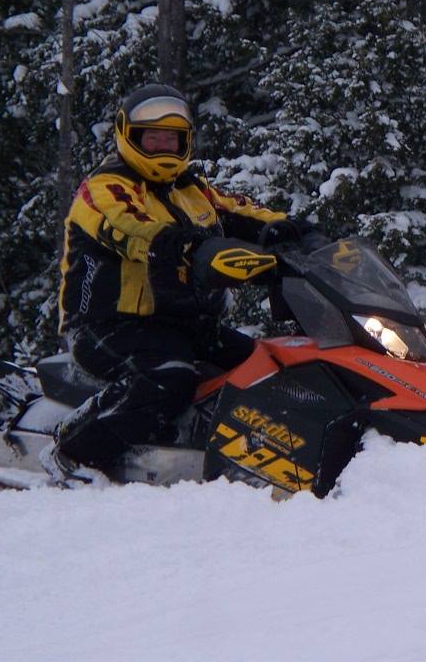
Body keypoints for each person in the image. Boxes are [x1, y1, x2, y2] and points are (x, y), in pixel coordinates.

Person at [43, 82, 314, 483]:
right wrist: (190, 249)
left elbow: (242, 212)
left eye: (171, 139)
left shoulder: (191, 191)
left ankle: (270, 459)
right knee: (169, 377)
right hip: (109, 326)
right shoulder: (104, 190)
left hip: (189, 326)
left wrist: (295, 232)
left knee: (271, 368)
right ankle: (71, 452)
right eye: (151, 139)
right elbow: (134, 229)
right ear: (129, 136)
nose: (162, 148)